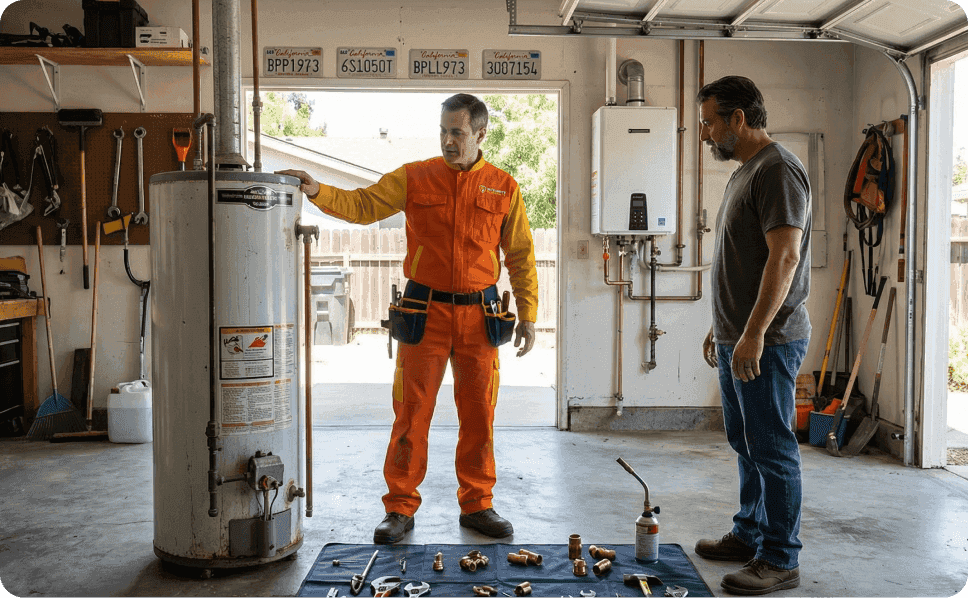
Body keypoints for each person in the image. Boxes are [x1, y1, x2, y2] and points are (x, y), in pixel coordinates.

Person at [277, 93, 538, 545]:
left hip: (480, 318)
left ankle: (477, 504)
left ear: (480, 134)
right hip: (424, 315)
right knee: (411, 414)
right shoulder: (415, 177)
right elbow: (363, 205)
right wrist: (317, 190)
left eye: (457, 133)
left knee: (479, 415)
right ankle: (399, 507)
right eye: (443, 132)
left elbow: (520, 255)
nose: (448, 141)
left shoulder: (503, 187)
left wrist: (528, 316)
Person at [694, 76, 811, 595]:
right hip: (736, 335)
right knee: (745, 441)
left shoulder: (778, 169)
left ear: (737, 119)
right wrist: (721, 326)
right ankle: (749, 534)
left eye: (709, 122)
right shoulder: (746, 171)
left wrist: (755, 332)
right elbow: (742, 260)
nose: (704, 133)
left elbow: (785, 257)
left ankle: (780, 558)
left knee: (771, 446)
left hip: (771, 339)